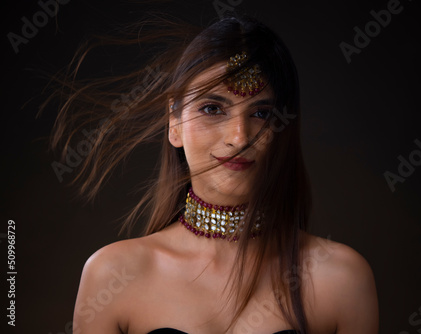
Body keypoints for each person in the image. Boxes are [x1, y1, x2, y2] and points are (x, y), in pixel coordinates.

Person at [48, 12, 378, 334]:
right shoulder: (113, 275)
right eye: (213, 108)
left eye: (261, 113)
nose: (239, 136)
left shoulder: (340, 279)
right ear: (174, 123)